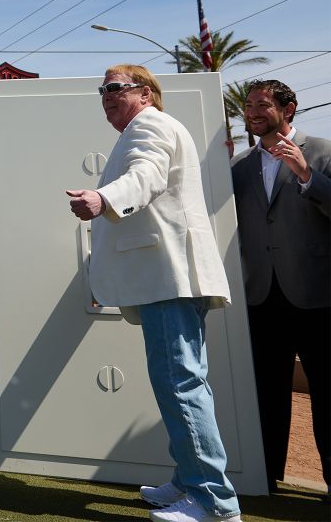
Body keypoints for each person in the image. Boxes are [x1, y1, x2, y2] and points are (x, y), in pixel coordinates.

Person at [66, 65, 240, 522]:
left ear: (145, 94)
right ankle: (189, 480)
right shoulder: (142, 127)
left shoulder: (152, 124)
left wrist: (103, 200)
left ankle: (213, 503)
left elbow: (148, 174)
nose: (105, 95)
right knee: (177, 382)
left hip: (170, 278)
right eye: (100, 89)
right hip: (163, 278)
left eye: (115, 88)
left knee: (181, 384)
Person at [230, 79, 329, 494]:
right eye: (248, 105)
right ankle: (264, 480)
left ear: (288, 110)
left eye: (262, 104)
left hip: (317, 297)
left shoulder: (323, 151)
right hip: (260, 298)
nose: (252, 112)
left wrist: (306, 175)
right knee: (265, 395)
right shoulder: (238, 166)